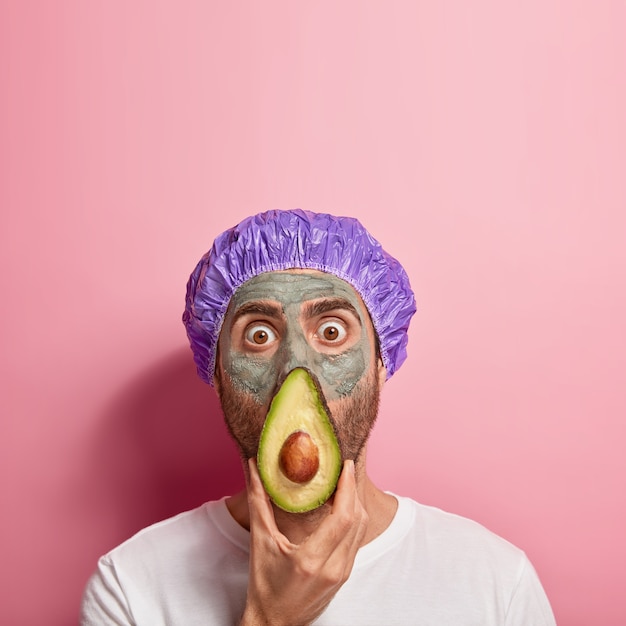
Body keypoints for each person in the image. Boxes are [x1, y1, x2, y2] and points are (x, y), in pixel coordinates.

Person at [81, 209, 556, 625]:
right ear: (217, 372)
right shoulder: (129, 587)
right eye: (259, 336)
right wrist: (270, 620)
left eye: (332, 331)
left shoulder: (496, 582)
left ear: (380, 363)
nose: (295, 370)